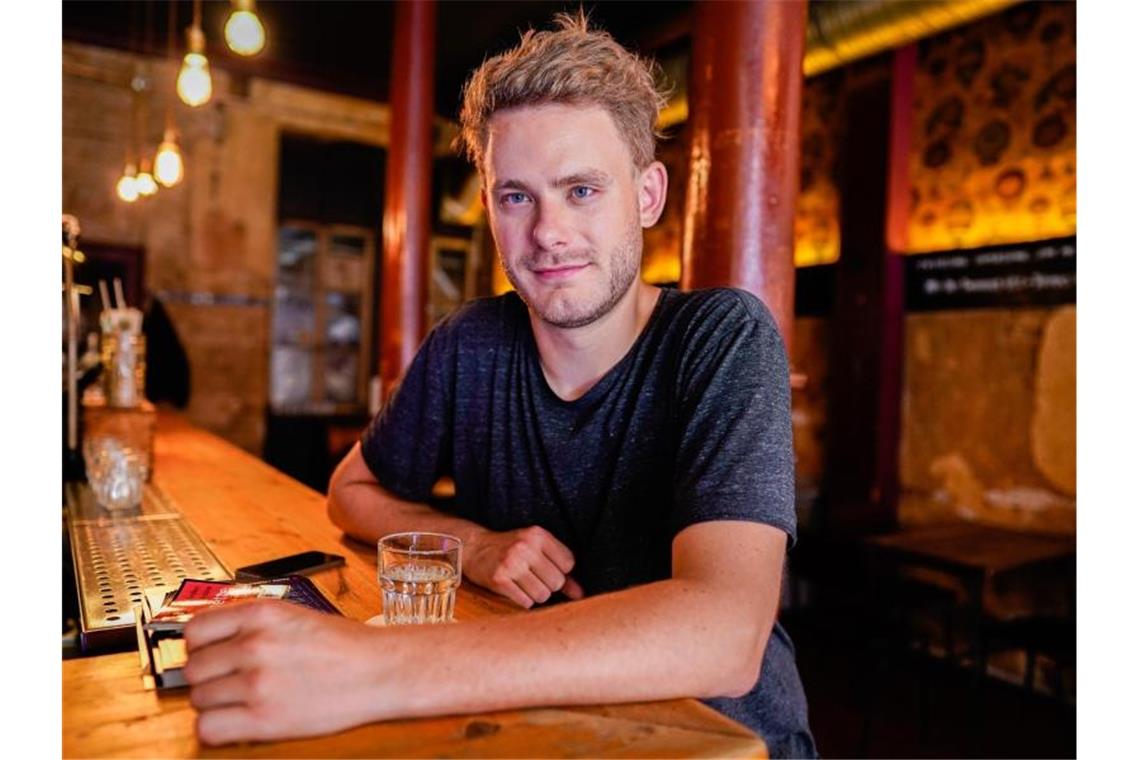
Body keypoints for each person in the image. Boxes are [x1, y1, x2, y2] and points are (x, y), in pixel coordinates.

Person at [182, 12, 817, 758]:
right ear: (488, 204)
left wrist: (371, 668)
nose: (548, 231)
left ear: (647, 196)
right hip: (526, 735)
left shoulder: (721, 337)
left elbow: (725, 633)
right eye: (517, 196)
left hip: (723, 745)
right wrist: (474, 546)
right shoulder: (471, 344)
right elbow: (349, 490)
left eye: (582, 190)